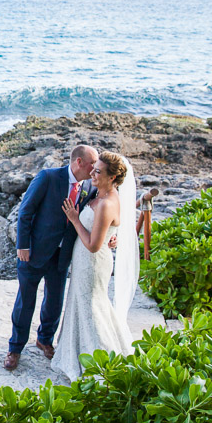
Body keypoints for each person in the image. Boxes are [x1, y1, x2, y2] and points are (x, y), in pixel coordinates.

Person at [4, 145, 99, 371]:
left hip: (62, 254)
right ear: (78, 163)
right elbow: (25, 211)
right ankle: (15, 348)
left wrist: (110, 239)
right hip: (34, 251)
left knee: (55, 301)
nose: (95, 170)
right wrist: (23, 245)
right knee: (25, 301)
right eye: (92, 164)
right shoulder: (48, 177)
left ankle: (44, 339)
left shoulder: (88, 186)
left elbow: (98, 213)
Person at [51, 151, 139, 381]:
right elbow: (110, 229)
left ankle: (101, 357)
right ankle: (78, 350)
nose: (92, 173)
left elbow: (92, 244)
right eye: (94, 168)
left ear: (112, 178)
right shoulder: (98, 193)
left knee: (92, 306)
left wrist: (74, 219)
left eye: (98, 171)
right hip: (83, 260)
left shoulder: (107, 203)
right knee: (81, 302)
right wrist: (114, 234)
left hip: (92, 262)